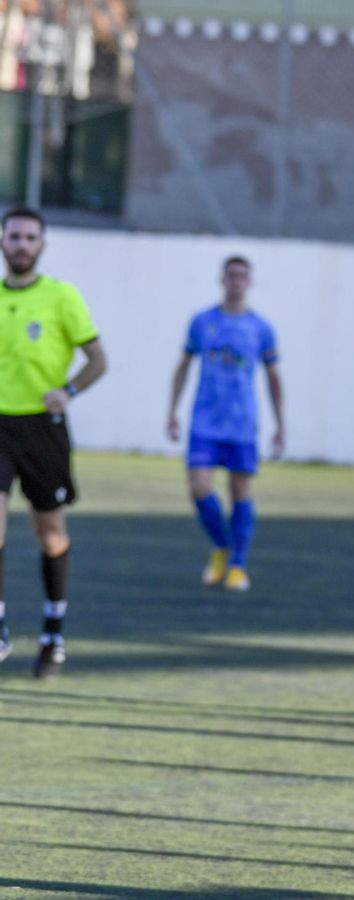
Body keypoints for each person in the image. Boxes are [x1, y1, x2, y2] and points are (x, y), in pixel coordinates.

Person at [0, 207, 108, 679]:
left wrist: (69, 391)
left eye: (29, 237)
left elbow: (97, 359)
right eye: (14, 236)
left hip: (44, 428)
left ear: (41, 245)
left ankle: (53, 632)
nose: (21, 244)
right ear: (2, 242)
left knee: (50, 535)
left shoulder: (62, 297)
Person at [166, 256, 285, 592]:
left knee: (240, 492)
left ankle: (237, 565)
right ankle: (222, 545)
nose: (236, 281)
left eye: (242, 276)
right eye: (231, 275)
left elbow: (274, 377)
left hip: (242, 424)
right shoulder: (202, 322)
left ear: (250, 282)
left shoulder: (261, 328)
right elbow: (183, 366)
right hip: (205, 421)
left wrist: (280, 424)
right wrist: (172, 410)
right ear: (222, 279)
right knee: (199, 487)